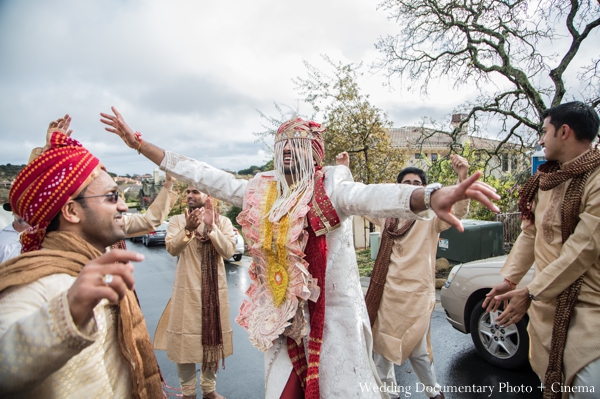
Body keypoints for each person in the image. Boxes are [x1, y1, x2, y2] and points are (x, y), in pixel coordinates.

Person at [101, 107, 500, 399]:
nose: (289, 152)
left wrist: (429, 195)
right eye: (283, 146)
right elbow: (207, 176)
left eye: (299, 145)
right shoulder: (261, 189)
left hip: (332, 324)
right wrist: (139, 145)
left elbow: (371, 196)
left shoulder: (332, 186)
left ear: (316, 152)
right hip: (283, 322)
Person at [0, 115, 176, 398]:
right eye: (110, 196)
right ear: (70, 211)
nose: (122, 205)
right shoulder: (35, 281)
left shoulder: (95, 264)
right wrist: (66, 313)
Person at [483, 101, 600, 399]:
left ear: (564, 131)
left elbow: (582, 249)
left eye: (544, 131)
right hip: (546, 311)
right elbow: (530, 233)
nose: (540, 139)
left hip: (586, 312)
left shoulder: (597, 180)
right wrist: (510, 280)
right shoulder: (546, 181)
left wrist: (531, 292)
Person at [365, 158, 469, 399]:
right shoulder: (387, 215)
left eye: (417, 183)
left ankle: (434, 393)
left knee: (418, 350)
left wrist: (462, 176)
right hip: (387, 294)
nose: (411, 186)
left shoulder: (431, 216)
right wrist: (346, 171)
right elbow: (361, 203)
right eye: (406, 183)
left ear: (424, 188)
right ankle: (388, 394)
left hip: (417, 295)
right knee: (383, 350)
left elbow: (459, 211)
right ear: (398, 187)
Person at [154, 186, 235, 399]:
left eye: (196, 191)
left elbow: (228, 252)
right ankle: (188, 392)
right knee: (184, 344)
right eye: (188, 192)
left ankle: (209, 389)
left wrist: (211, 227)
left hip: (214, 294)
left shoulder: (223, 221)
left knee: (213, 341)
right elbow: (172, 249)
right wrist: (188, 229)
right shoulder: (177, 221)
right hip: (186, 291)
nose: (190, 195)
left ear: (209, 196)